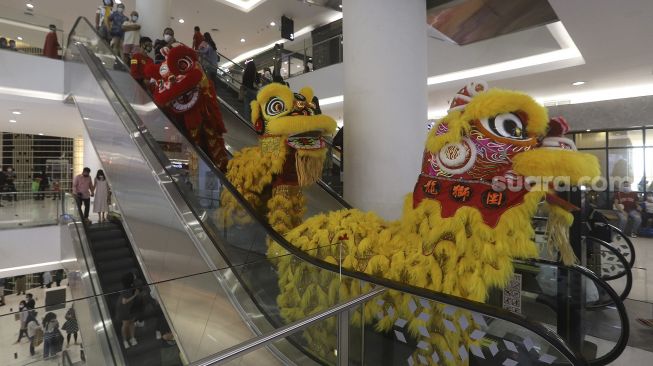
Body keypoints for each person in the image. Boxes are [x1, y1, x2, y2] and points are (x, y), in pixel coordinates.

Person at [116, 273, 139, 349]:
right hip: (124, 309)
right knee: (125, 324)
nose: (135, 277)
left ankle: (132, 338)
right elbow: (124, 301)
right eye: (133, 276)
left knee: (132, 322)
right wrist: (135, 295)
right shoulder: (125, 289)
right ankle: (125, 340)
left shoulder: (131, 285)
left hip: (131, 307)